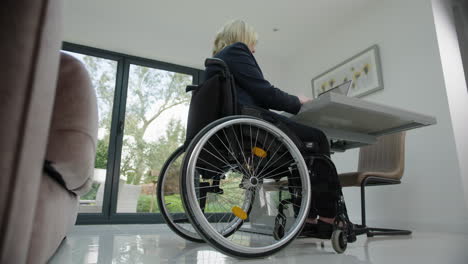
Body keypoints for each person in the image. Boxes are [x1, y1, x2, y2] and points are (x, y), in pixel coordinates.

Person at [204, 19, 343, 238]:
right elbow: (265, 93)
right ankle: (326, 217)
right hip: (251, 126)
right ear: (242, 38)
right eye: (253, 43)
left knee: (300, 151)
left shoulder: (217, 62)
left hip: (236, 132)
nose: (254, 49)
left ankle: (306, 218)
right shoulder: (236, 51)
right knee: (317, 139)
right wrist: (298, 101)